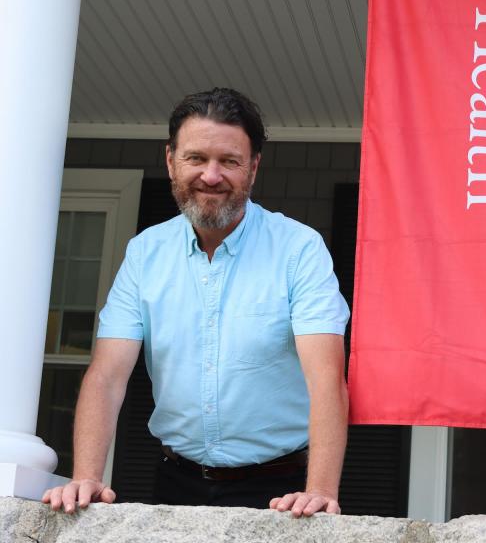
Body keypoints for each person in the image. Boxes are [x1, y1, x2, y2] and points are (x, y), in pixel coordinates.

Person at [43, 88, 350, 517]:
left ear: (254, 168)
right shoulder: (144, 253)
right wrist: (87, 477)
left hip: (282, 493)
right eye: (196, 158)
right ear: (170, 161)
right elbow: (107, 375)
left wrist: (319, 491)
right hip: (173, 480)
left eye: (229, 161)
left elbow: (327, 379)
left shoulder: (299, 249)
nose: (211, 175)